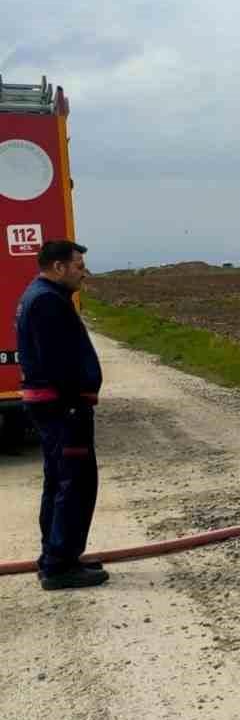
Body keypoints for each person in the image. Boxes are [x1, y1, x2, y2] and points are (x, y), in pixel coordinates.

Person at [15, 239, 108, 590]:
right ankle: (59, 566)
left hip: (56, 405)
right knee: (75, 483)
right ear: (58, 267)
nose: (83, 272)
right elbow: (58, 362)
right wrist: (72, 404)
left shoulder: (41, 297)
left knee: (60, 480)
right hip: (62, 408)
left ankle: (58, 555)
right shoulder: (46, 302)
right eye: (78, 265)